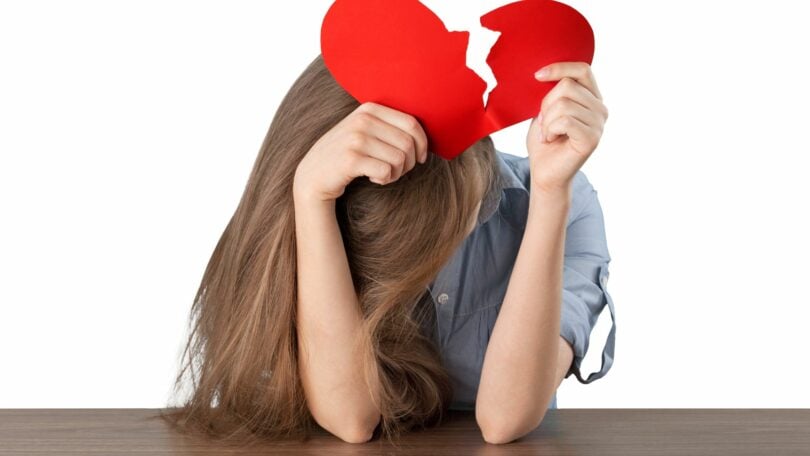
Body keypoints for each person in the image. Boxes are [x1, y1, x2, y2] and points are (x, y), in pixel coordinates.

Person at [160, 53, 614, 446]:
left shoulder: (563, 202)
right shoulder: (321, 204)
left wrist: (553, 192)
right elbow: (351, 419)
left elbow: (504, 421)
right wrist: (311, 197)